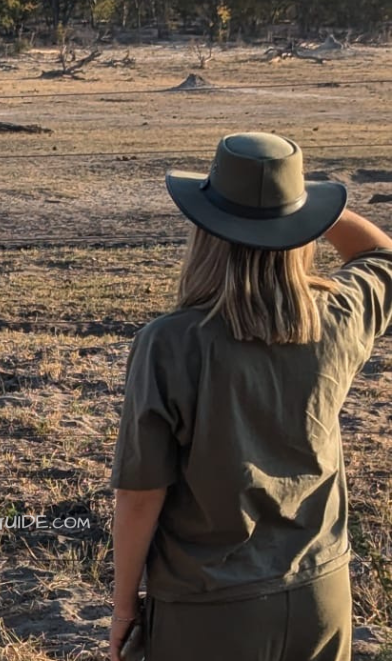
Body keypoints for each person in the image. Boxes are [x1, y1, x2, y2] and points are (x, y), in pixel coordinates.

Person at [110, 132, 392, 661]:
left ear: (205, 231)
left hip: (208, 607)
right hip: (321, 588)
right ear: (302, 229)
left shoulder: (169, 342)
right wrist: (299, 206)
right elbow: (381, 254)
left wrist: (125, 605)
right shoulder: (339, 314)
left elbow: (140, 495)